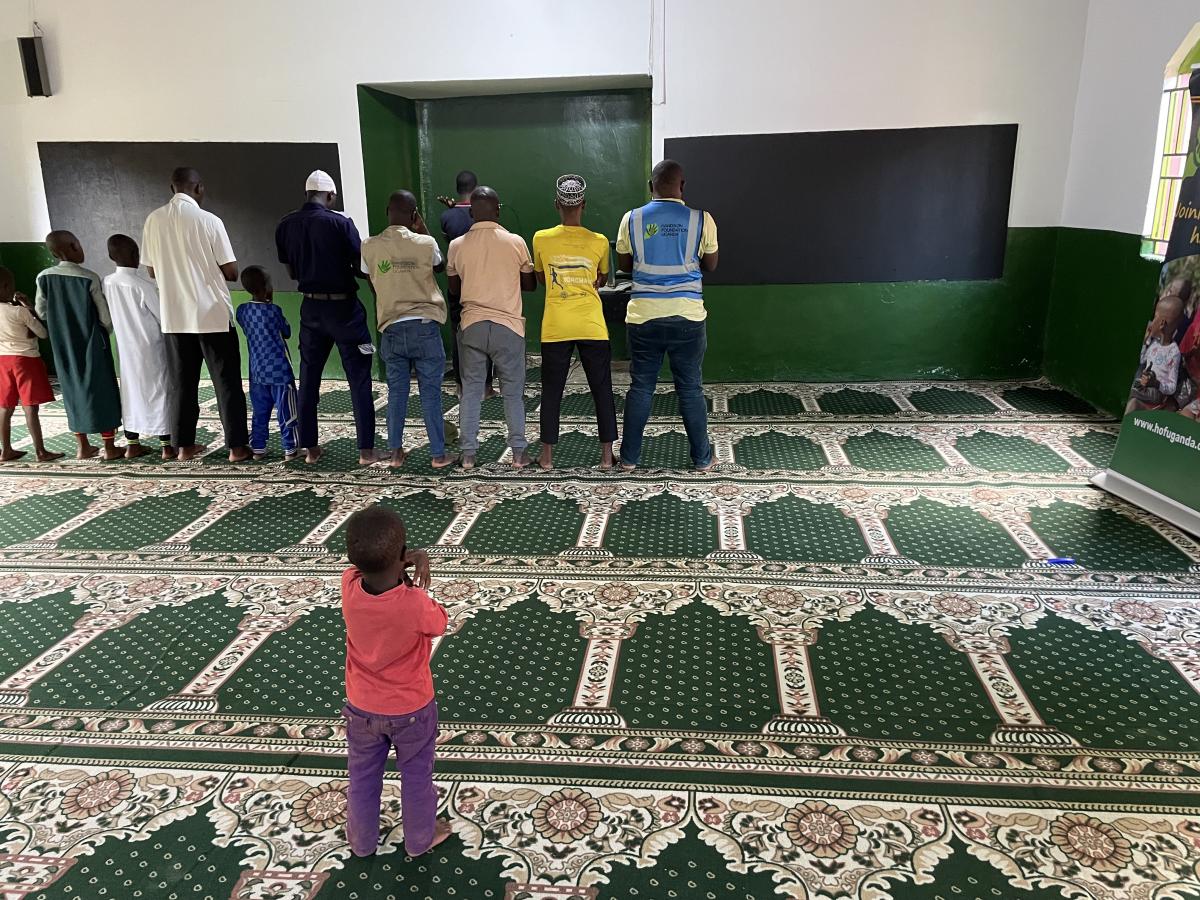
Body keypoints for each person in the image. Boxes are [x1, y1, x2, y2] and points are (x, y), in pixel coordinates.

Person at [341, 504, 451, 859]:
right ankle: (420, 840)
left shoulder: (348, 585)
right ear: (403, 555)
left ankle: (361, 842)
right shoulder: (414, 603)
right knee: (416, 776)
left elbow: (360, 569)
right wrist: (410, 569)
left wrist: (399, 561)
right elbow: (440, 622)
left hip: (361, 707)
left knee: (362, 776)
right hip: (412, 709)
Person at [141, 167, 251, 463]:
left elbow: (151, 270)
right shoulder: (209, 220)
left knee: (182, 384)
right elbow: (231, 271)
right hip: (211, 314)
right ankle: (237, 448)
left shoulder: (153, 220)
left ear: (172, 188)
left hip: (174, 316)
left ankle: (184, 447)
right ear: (199, 188)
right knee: (226, 382)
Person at [616, 159, 719, 472]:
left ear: (651, 186)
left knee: (641, 387)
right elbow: (711, 264)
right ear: (682, 186)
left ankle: (629, 459)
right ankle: (702, 459)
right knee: (690, 388)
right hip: (687, 317)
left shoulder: (631, 219)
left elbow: (624, 264)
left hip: (643, 317)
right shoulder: (702, 219)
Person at [275, 170, 376, 466]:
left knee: (308, 378)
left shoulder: (285, 225)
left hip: (310, 309)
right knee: (359, 377)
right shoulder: (341, 223)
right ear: (330, 196)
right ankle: (366, 451)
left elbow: (291, 272)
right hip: (345, 311)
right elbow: (360, 267)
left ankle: (310, 448)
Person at [361, 190, 456, 469]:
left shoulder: (369, 245)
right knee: (431, 394)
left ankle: (395, 454)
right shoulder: (426, 243)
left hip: (391, 328)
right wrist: (422, 228)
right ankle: (438, 455)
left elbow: (371, 279)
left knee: (396, 394)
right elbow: (440, 266)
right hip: (424, 328)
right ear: (414, 215)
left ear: (387, 212)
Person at [446, 186, 536, 469]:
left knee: (471, 391)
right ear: (498, 210)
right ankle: (519, 454)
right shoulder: (515, 242)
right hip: (508, 327)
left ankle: (468, 455)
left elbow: (454, 289)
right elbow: (529, 284)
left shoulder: (456, 245)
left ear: (471, 213)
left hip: (472, 325)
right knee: (512, 393)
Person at [531, 174, 617, 470]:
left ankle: (546, 458)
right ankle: (606, 458)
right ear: (584, 204)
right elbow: (600, 278)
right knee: (602, 390)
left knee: (551, 391)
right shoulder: (599, 241)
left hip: (556, 325)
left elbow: (542, 278)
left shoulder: (541, 238)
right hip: (592, 324)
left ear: (557, 204)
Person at [35, 230, 123, 460]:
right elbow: (105, 318)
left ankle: (82, 446)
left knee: (71, 389)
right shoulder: (89, 278)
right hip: (92, 342)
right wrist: (105, 332)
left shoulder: (44, 277)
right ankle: (110, 447)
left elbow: (41, 312)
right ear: (74, 247)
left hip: (63, 344)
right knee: (101, 389)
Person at [103, 234, 176, 460]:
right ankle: (167, 446)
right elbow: (163, 318)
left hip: (125, 348)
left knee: (130, 392)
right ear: (136, 256)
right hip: (150, 347)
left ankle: (132, 444)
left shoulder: (107, 282)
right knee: (160, 392)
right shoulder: (143, 285)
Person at [439, 170, 495, 398]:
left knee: (458, 333)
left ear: (457, 188)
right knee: (487, 330)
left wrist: (453, 209)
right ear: (477, 187)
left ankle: (461, 386)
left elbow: (451, 241)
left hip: (458, 281)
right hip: (483, 281)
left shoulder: (447, 217)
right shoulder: (486, 215)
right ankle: (486, 386)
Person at [0, 267, 63, 462]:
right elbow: (42, 333)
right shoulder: (19, 311)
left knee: (5, 407)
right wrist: (29, 307)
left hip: (3, 361)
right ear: (6, 286)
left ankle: (6, 450)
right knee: (30, 407)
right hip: (25, 361)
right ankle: (40, 452)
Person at [235, 266, 299, 461]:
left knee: (260, 412)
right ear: (267, 288)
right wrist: (271, 303)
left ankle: (258, 448)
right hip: (280, 372)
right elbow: (287, 332)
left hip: (257, 372)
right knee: (287, 410)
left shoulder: (242, 311)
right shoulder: (274, 311)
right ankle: (290, 449)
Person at [1126, 289, 1186, 414]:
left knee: (1129, 390)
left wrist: (1156, 383)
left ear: (1162, 323)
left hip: (1156, 392)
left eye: (1155, 318)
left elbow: (1172, 387)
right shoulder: (1154, 344)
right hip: (1142, 385)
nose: (1152, 322)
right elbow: (1142, 360)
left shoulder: (1173, 352)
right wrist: (1145, 342)